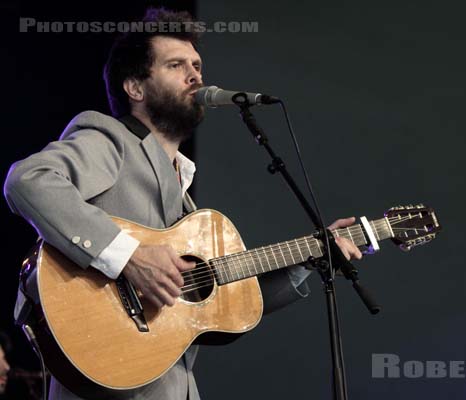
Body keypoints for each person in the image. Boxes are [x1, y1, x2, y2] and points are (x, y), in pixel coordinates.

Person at [4, 7, 362, 400]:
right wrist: (130, 256)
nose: (196, 76)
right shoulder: (110, 140)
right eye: (176, 65)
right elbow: (28, 180)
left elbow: (229, 305)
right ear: (135, 88)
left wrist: (311, 258)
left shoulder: (184, 193)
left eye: (197, 65)